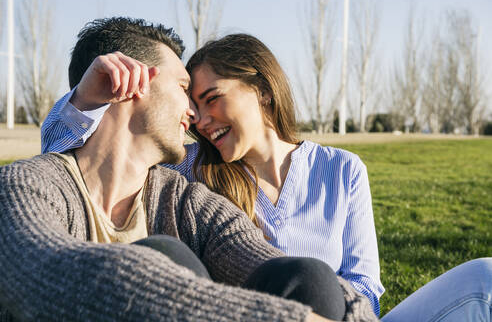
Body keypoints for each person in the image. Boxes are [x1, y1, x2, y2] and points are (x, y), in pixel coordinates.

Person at [0, 17, 382, 322]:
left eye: (208, 98)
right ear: (133, 83)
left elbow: (258, 255)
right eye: (184, 88)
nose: (195, 116)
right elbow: (45, 276)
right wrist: (86, 98)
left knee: (311, 279)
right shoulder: (27, 186)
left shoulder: (185, 198)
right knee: (166, 256)